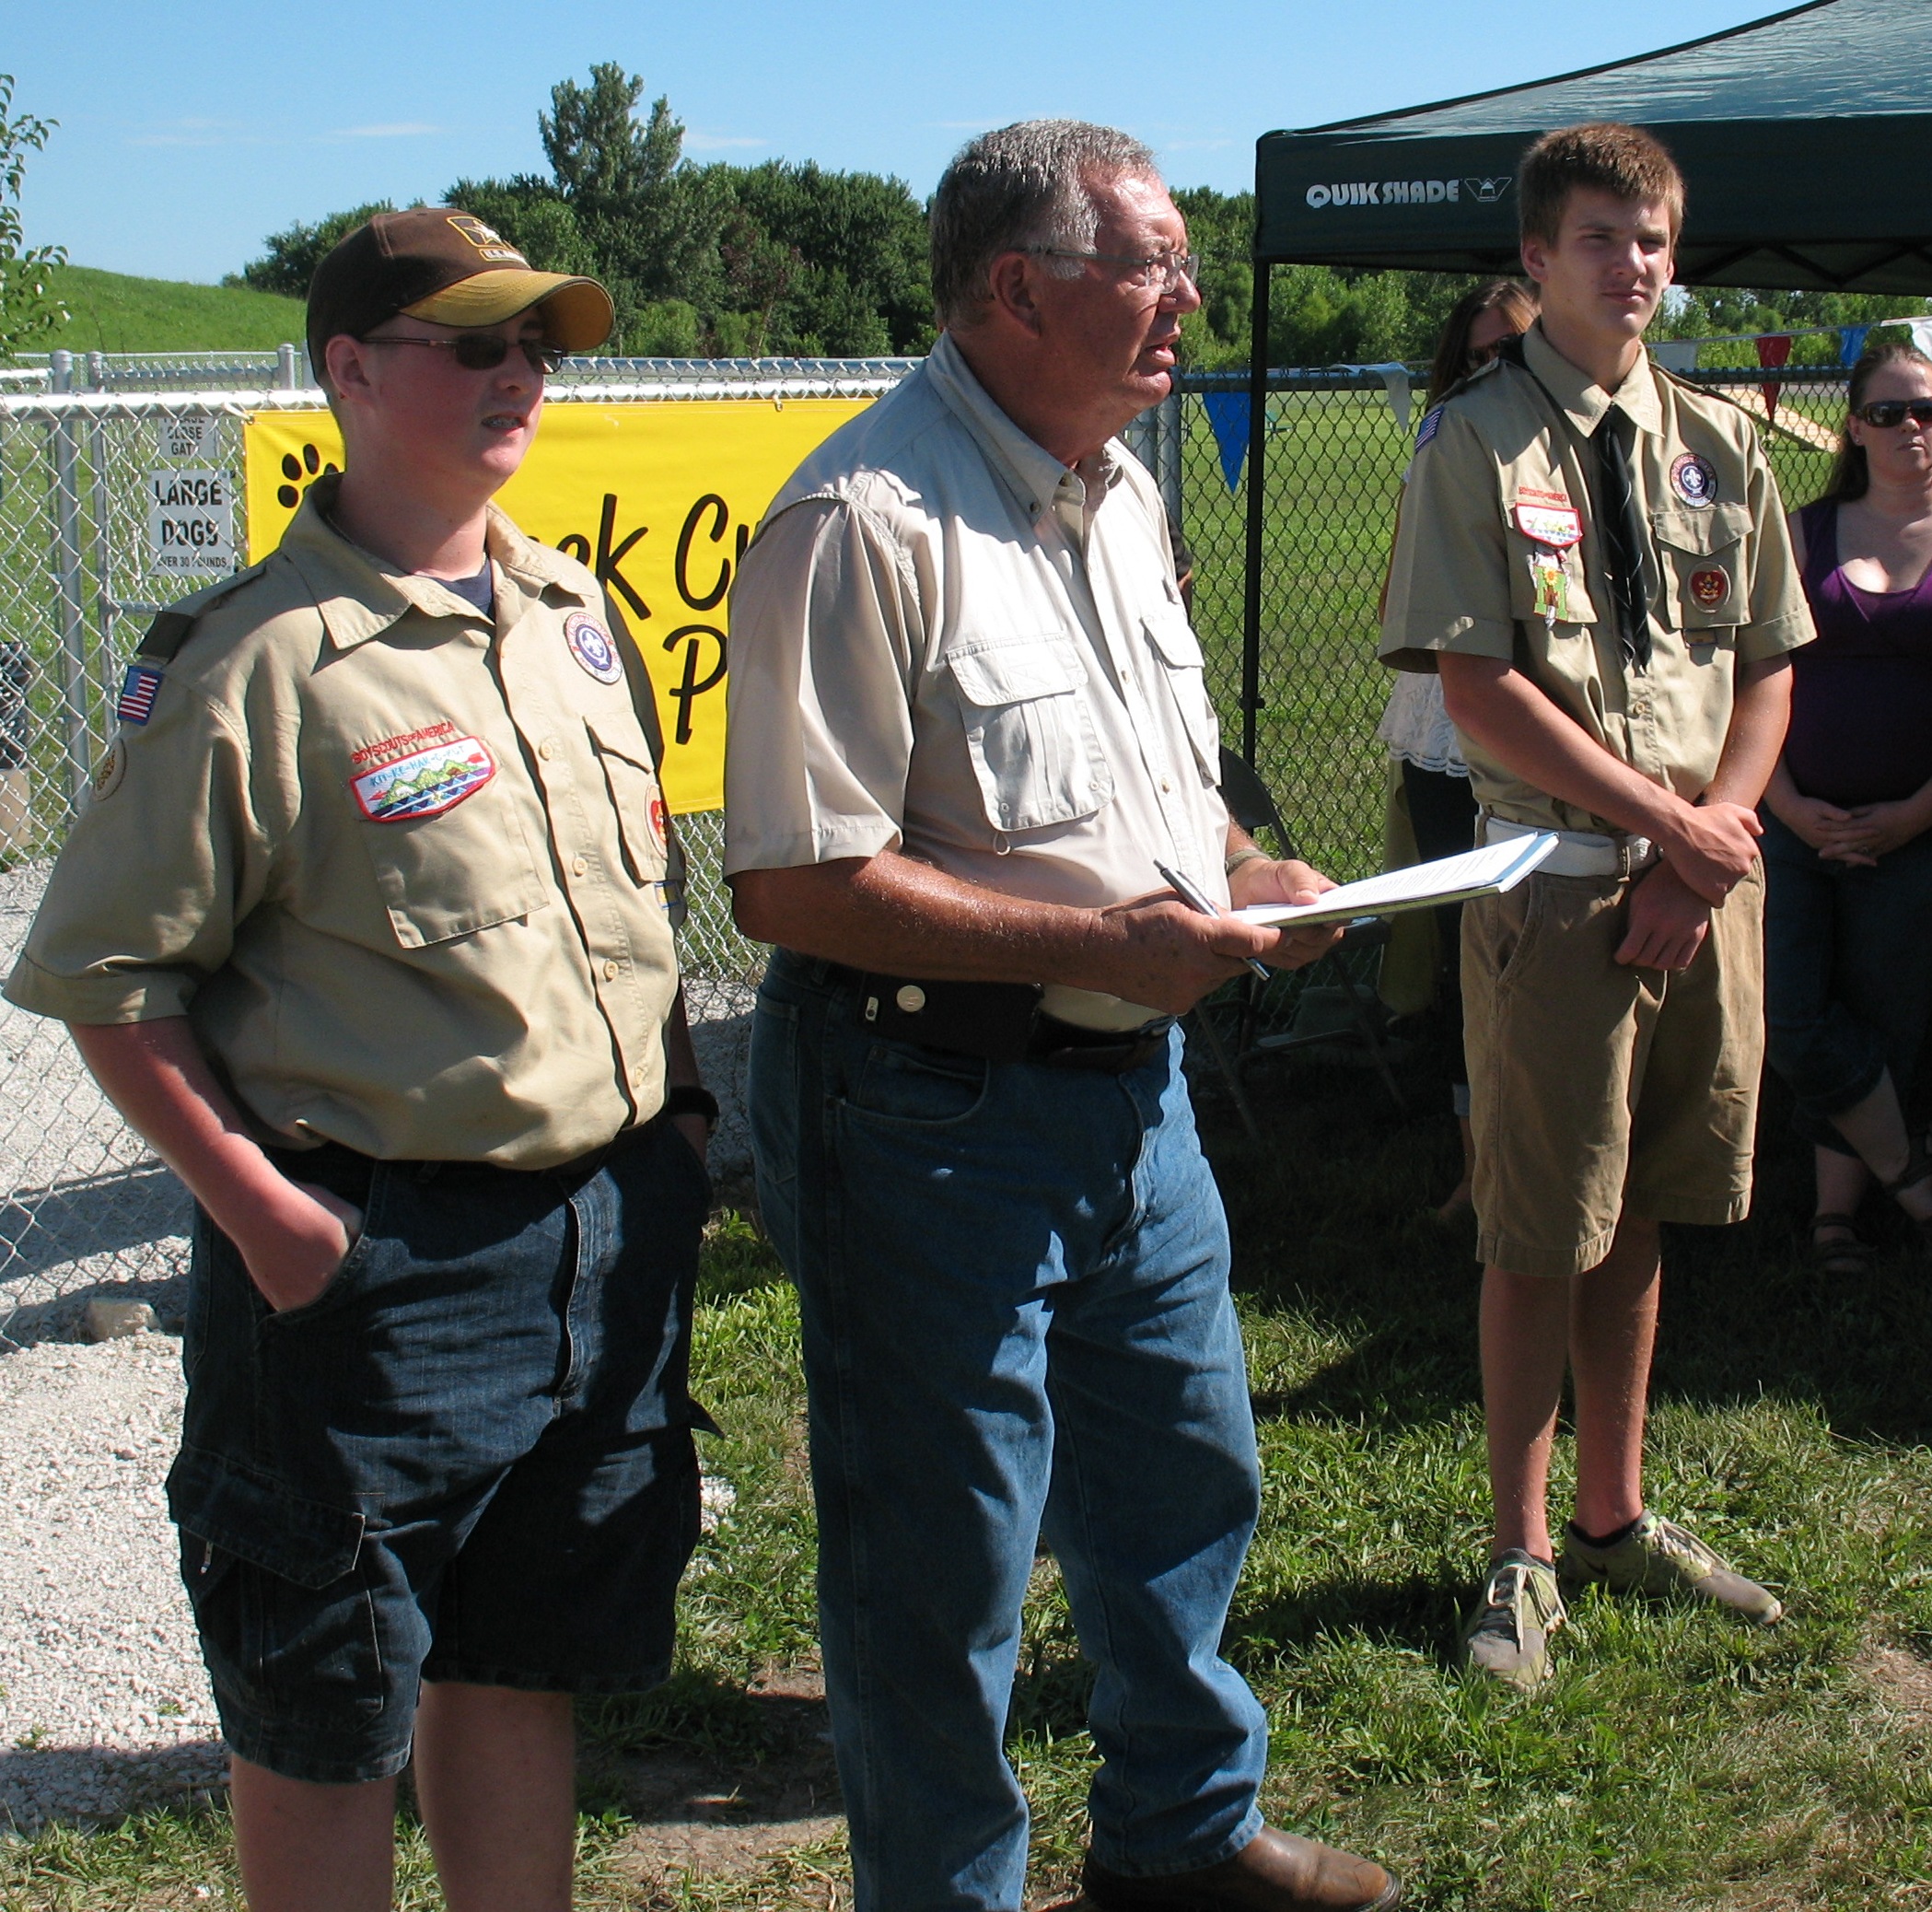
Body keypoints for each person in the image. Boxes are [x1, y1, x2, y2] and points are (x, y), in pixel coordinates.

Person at [4, 208, 718, 1912]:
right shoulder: (253, 662)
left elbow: (633, 908)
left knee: (517, 1663)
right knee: (324, 1710)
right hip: (373, 1271)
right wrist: (271, 1224)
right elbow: (109, 978)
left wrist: (680, 1115)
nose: (517, 375)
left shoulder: (569, 613)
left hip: (597, 1237)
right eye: (473, 345)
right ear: (347, 370)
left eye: (534, 345)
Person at [725, 122, 1402, 1912]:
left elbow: (1160, 786)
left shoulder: (1120, 494)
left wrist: (1246, 871)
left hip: (1135, 1096)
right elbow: (794, 885)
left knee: (1182, 1478)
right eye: (1152, 264)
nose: (1190, 298)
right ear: (1017, 289)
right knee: (938, 1569)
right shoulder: (860, 520)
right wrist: (1098, 935)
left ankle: (1180, 1838)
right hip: (924, 1109)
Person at [1379, 123, 1812, 1689]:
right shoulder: (1474, 442)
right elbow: (1474, 685)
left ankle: (1614, 1514)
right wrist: (1664, 832)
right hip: (1559, 894)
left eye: (1649, 240)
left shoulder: (1720, 443)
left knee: (1636, 1213)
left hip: (1698, 893)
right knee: (1534, 1225)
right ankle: (1517, 1554)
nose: (1628, 265)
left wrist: (1704, 851)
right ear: (1533, 258)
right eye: (1594, 238)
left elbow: (1765, 666)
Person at [1761, 339, 1932, 1272]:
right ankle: (1911, 1178)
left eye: (1927, 411)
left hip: (1913, 830)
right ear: (1854, 428)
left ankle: (1836, 1215)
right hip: (1794, 822)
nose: (1912, 428)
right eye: (1889, 412)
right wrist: (1785, 804)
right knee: (1790, 1014)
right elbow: (1749, 677)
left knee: (1883, 1014)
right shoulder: (1801, 532)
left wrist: (1912, 816)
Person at [1377, 278, 1539, 1215]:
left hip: (1547, 723)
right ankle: (1477, 1169)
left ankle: (1544, 1151)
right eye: (1472, 356)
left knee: (1543, 945)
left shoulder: (1572, 446)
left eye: (1506, 351)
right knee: (1462, 946)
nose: (1488, 371)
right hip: (1447, 725)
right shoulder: (1438, 448)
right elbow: (1400, 600)